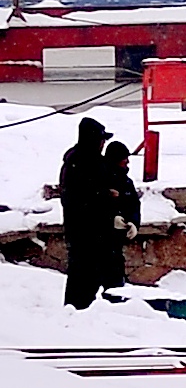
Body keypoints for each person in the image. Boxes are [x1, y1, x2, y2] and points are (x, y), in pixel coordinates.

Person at [55, 120, 135, 309]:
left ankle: (110, 315)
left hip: (101, 237)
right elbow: (80, 200)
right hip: (85, 236)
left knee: (111, 285)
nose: (102, 144)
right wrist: (107, 203)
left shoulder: (94, 162)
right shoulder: (79, 163)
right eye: (101, 140)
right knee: (82, 285)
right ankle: (76, 319)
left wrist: (125, 217)